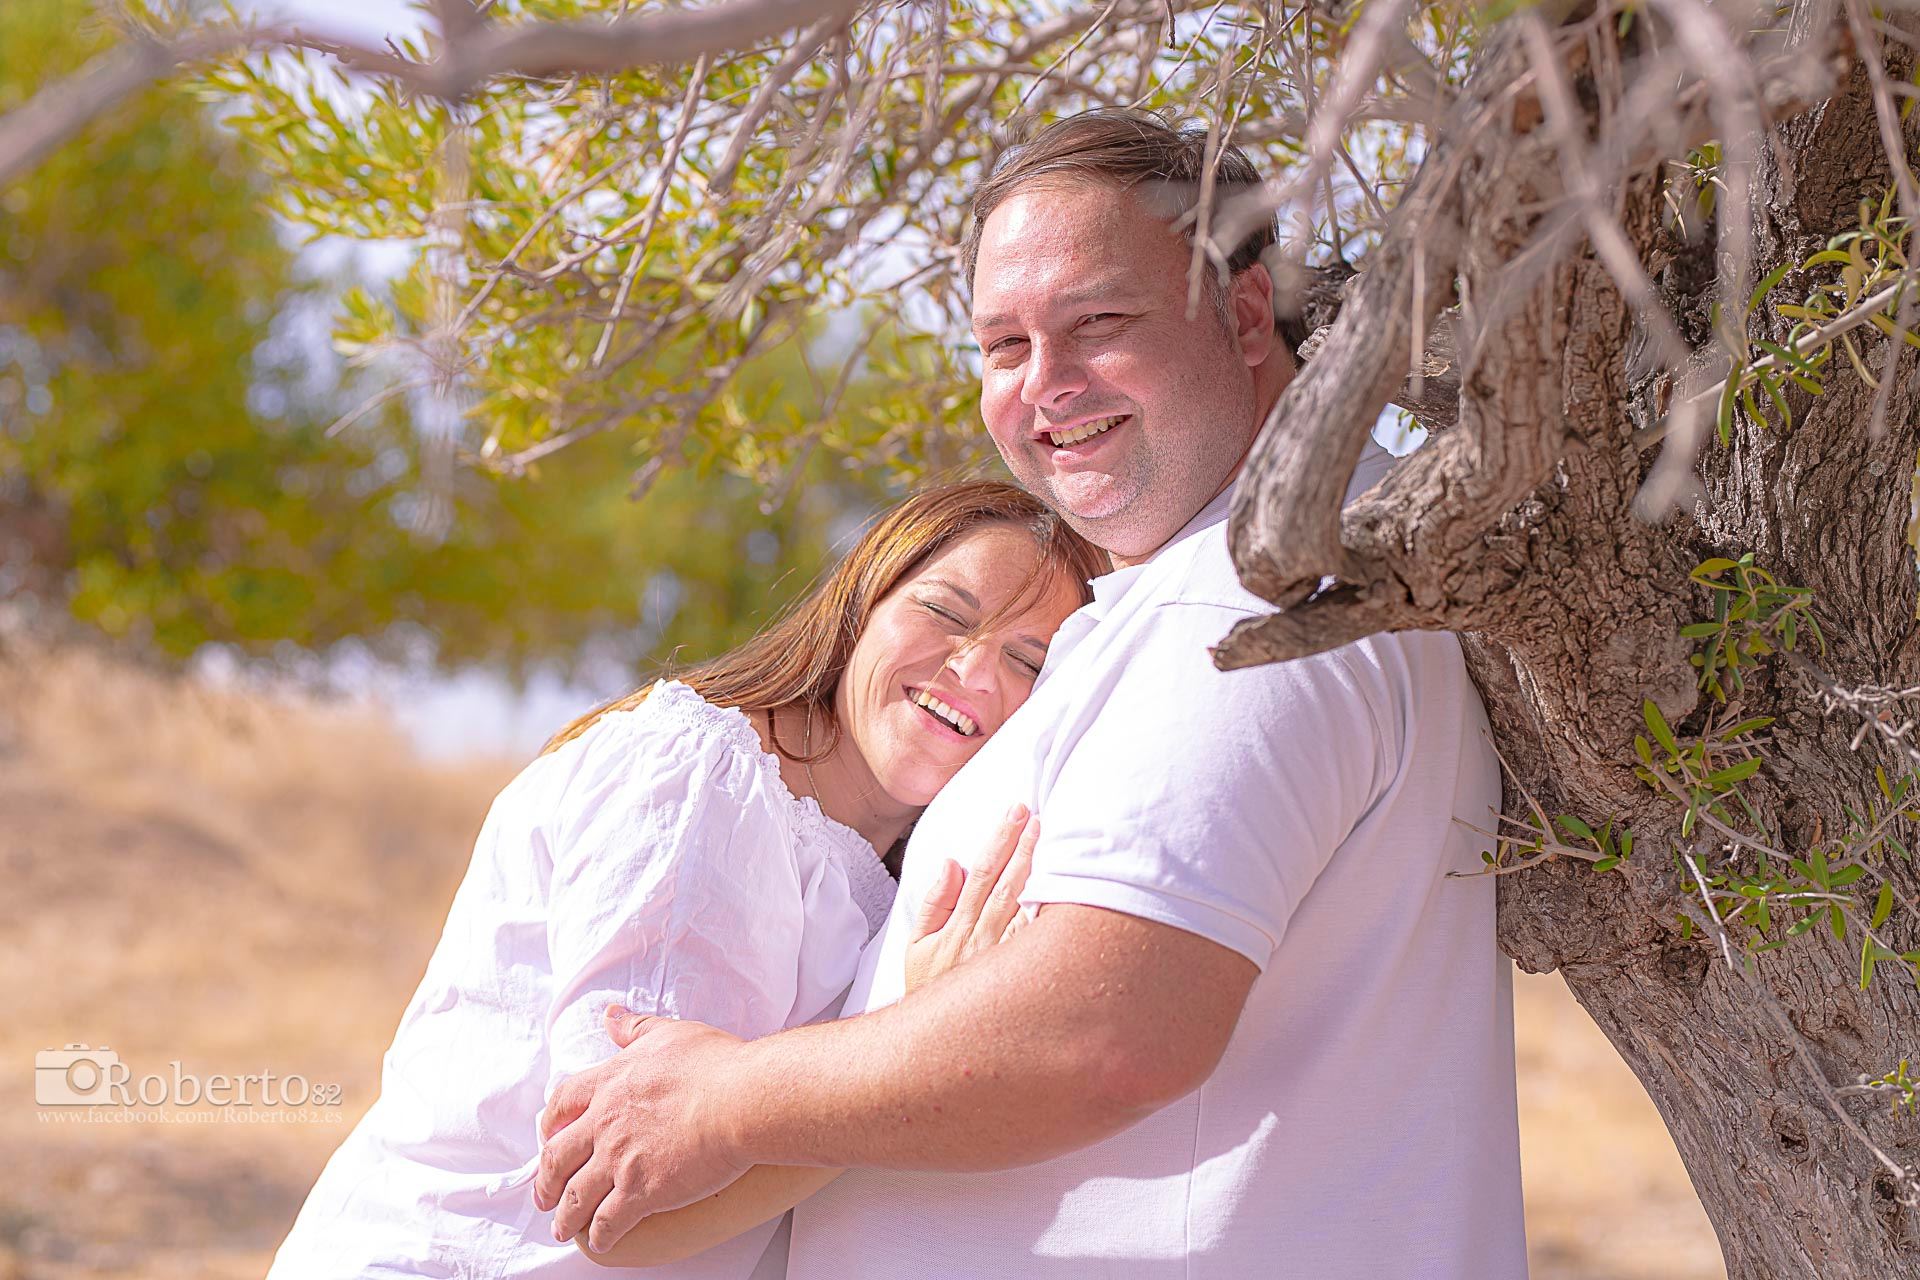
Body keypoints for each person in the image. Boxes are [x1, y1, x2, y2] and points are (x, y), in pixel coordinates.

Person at [537, 109, 1527, 1279]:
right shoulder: (1248, 583)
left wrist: (721, 1100)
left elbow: (1109, 1032)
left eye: (1098, 322)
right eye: (1004, 344)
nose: (1046, 384)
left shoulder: (1249, 603)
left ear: (1247, 311)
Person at [262, 480, 1103, 1279]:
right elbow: (617, 1203)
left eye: (1028, 661)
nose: (975, 670)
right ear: (862, 602)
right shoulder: (702, 782)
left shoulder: (887, 878)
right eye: (946, 611)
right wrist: (910, 1044)